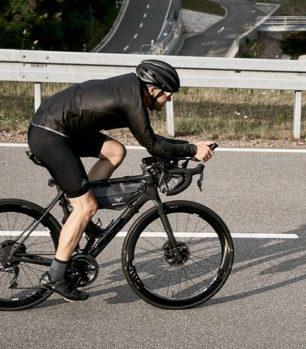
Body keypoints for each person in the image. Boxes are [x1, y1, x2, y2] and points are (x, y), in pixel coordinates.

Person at [27, 59, 215, 301]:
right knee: (87, 206)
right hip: (50, 133)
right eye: (168, 95)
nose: (169, 100)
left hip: (59, 127)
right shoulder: (132, 100)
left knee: (115, 151)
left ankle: (79, 211)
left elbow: (150, 138)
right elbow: (153, 146)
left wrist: (191, 146)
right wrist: (191, 150)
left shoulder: (132, 90)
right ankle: (55, 276)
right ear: (154, 89)